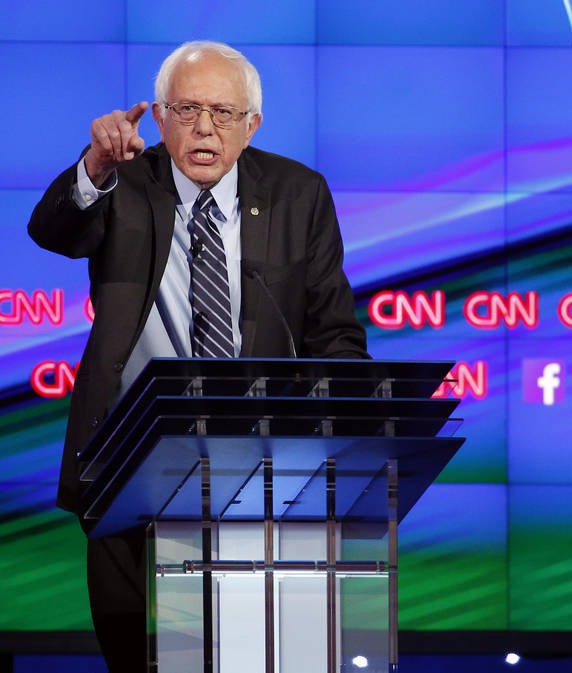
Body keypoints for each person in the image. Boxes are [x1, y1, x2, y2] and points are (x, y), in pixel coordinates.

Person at [28, 41, 369, 672]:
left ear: (251, 124)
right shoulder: (123, 180)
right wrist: (94, 167)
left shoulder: (299, 193)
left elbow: (334, 333)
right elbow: (52, 231)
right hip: (127, 456)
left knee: (244, 654)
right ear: (158, 118)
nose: (204, 128)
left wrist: (339, 430)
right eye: (185, 110)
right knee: (139, 656)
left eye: (222, 112)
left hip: (257, 465)